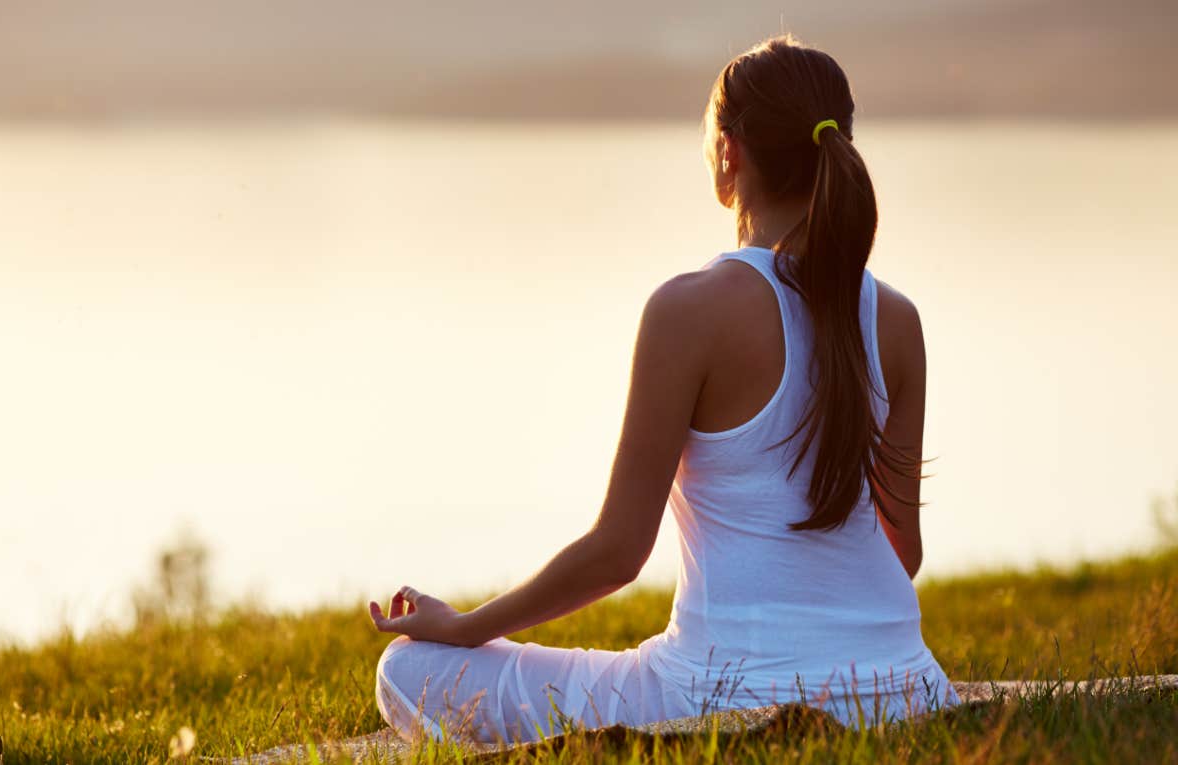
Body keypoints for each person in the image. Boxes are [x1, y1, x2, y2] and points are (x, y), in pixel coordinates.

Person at [368, 34, 960, 744]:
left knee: (407, 669)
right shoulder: (895, 318)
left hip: (718, 693)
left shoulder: (689, 311)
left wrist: (464, 626)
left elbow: (620, 552)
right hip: (908, 685)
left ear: (729, 155)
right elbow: (905, 554)